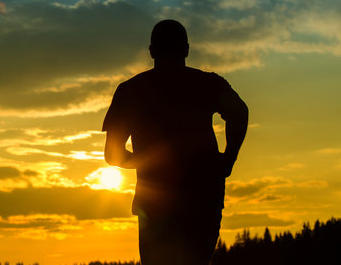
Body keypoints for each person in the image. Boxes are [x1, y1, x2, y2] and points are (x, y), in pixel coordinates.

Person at [103, 19, 248, 264]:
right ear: (187, 50)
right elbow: (239, 112)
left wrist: (147, 163)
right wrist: (228, 158)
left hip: (155, 204)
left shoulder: (130, 90)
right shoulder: (208, 84)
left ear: (151, 51)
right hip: (203, 198)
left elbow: (112, 154)